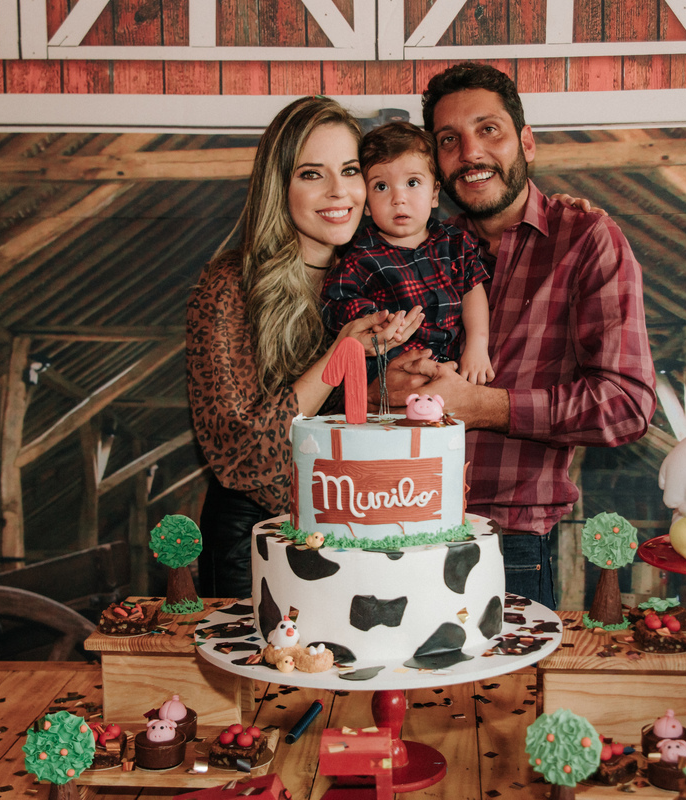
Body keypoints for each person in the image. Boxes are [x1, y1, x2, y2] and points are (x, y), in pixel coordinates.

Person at [384, 63, 658, 609]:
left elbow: (627, 404)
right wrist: (382, 384)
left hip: (510, 550)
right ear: (435, 163)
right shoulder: (414, 249)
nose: (470, 152)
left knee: (503, 698)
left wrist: (481, 406)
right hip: (393, 536)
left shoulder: (586, 239)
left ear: (526, 142)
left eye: (489, 130)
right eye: (448, 140)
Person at [185, 96, 423, 599]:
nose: (340, 192)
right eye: (312, 174)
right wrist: (337, 359)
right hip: (254, 540)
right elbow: (241, 454)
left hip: (359, 533)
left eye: (351, 170)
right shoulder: (231, 283)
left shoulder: (381, 278)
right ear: (280, 185)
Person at [321, 121, 494, 385]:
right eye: (381, 187)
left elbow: (472, 291)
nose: (398, 198)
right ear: (366, 203)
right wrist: (375, 320)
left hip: (454, 368)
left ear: (435, 193)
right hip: (390, 375)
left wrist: (477, 346)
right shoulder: (360, 257)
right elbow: (336, 302)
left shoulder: (456, 244)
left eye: (412, 182)